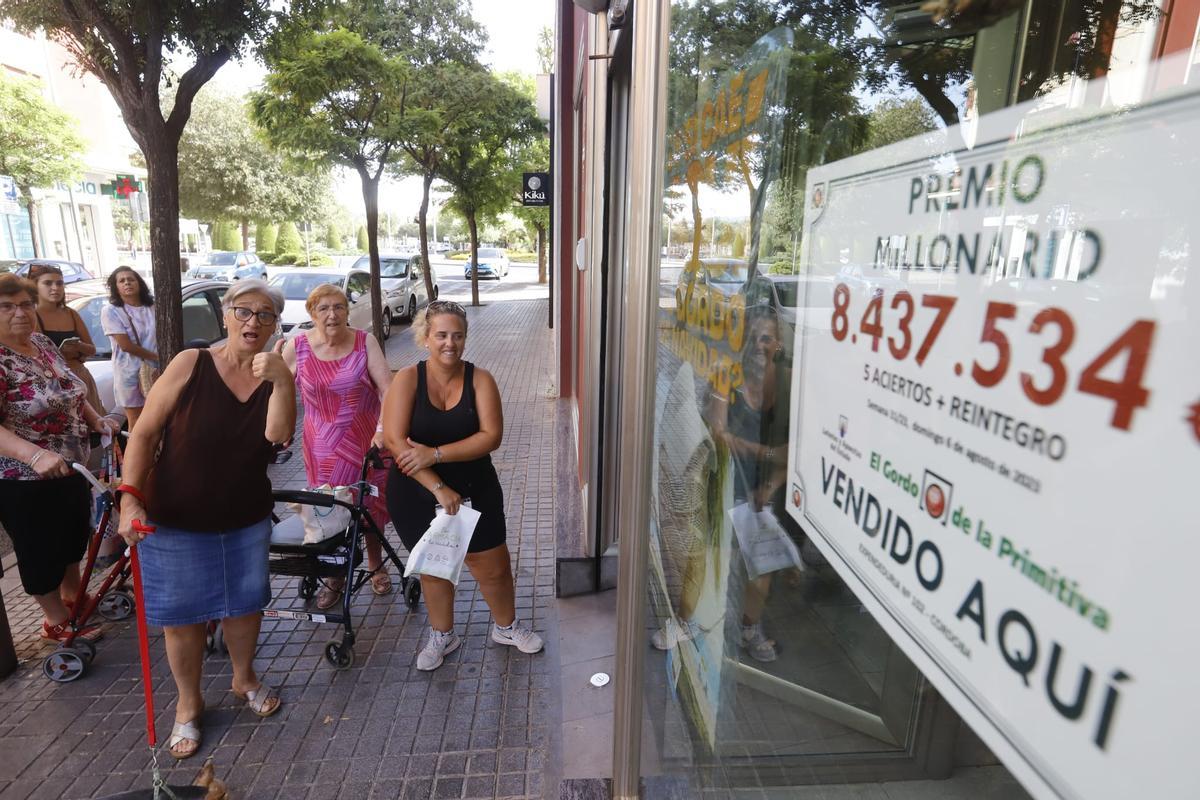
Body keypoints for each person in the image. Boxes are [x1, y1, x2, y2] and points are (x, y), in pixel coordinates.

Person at [117, 279, 295, 760]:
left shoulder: (275, 374)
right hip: (175, 517)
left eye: (264, 315)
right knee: (182, 619)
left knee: (245, 606)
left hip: (244, 515)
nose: (252, 322)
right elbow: (144, 431)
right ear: (224, 316)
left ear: (275, 324)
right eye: (243, 311)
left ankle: (244, 679)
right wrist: (129, 499)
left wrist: (283, 379)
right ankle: (188, 704)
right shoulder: (191, 364)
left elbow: (277, 435)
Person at [382, 300, 543, 671]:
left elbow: (491, 437)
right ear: (425, 337)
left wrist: (435, 454)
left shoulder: (480, 379)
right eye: (440, 335)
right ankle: (443, 634)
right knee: (435, 567)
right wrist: (437, 486)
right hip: (416, 491)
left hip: (476, 485)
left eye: (457, 335)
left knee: (492, 564)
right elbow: (395, 441)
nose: (449, 343)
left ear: (466, 338)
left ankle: (506, 627)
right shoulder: (407, 379)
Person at [0, 274, 120, 643]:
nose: (19, 313)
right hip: (24, 477)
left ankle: (74, 596)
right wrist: (35, 455)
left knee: (72, 537)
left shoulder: (40, 343)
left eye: (24, 304)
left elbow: (68, 390)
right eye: (6, 307)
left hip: (72, 464)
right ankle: (55, 621)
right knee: (39, 549)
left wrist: (95, 418)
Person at [278, 283, 395, 608]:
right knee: (329, 511)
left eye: (339, 307)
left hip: (366, 442)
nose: (333, 314)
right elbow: (278, 390)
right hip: (322, 448)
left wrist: (384, 429)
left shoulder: (364, 341)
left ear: (347, 310)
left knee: (369, 510)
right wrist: (280, 427)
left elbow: (388, 389)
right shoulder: (297, 346)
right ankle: (335, 574)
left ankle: (375, 564)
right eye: (324, 308)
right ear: (312, 313)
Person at [28, 263, 105, 414]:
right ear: (35, 286)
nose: (55, 287)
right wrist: (60, 351)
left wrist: (78, 346)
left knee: (96, 428)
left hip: (80, 375)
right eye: (48, 283)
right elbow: (35, 355)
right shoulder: (32, 316)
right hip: (53, 382)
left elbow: (92, 349)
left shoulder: (71, 313)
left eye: (59, 283)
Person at [101, 266, 157, 429]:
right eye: (122, 280)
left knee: (158, 418)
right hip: (129, 373)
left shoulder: (152, 307)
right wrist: (157, 357)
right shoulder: (111, 311)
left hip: (156, 372)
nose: (127, 283)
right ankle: (136, 455)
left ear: (139, 283)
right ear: (115, 287)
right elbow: (126, 346)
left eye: (131, 279)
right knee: (137, 422)